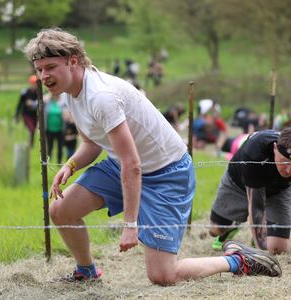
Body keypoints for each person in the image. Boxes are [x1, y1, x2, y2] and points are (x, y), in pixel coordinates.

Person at [24, 28, 281, 285]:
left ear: (73, 60)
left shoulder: (101, 96)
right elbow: (91, 143)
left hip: (166, 173)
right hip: (123, 167)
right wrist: (71, 165)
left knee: (163, 276)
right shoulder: (72, 93)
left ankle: (237, 259)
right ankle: (86, 271)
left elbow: (132, 164)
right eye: (40, 70)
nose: (44, 76)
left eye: (50, 67)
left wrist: (130, 225)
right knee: (61, 210)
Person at [209, 128, 291, 253]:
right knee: (215, 230)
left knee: (277, 249)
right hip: (239, 184)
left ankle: (265, 235)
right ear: (275, 148)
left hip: (278, 191)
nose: (289, 171)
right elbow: (256, 207)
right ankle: (234, 225)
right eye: (284, 162)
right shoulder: (255, 151)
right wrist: (261, 252)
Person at [15, 75, 38, 147]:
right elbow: (19, 104)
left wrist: (33, 103)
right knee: (31, 129)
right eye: (33, 84)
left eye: (35, 84)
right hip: (26, 114)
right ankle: (30, 144)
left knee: (33, 130)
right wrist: (17, 116)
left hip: (35, 114)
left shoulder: (39, 93)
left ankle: (30, 144)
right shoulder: (25, 93)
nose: (34, 86)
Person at [45, 94, 65, 164]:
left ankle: (59, 162)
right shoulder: (48, 103)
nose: (55, 96)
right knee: (50, 146)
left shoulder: (62, 103)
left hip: (60, 130)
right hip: (49, 130)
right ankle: (48, 161)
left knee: (60, 147)